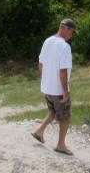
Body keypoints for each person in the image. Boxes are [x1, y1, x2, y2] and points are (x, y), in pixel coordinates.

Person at [31, 18, 76, 155]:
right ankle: (61, 145)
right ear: (66, 29)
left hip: (47, 88)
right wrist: (65, 91)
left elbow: (40, 63)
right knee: (65, 117)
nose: (72, 35)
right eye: (72, 32)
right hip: (57, 90)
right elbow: (63, 71)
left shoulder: (47, 41)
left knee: (53, 112)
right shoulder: (64, 47)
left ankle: (39, 132)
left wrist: (45, 81)